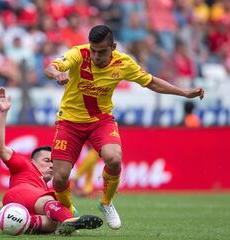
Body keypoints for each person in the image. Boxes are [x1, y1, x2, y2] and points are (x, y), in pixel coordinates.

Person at [44, 24, 205, 230]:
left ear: (114, 47)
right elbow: (51, 67)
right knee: (59, 178)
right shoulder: (78, 53)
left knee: (114, 158)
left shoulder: (124, 63)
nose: (95, 56)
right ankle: (68, 214)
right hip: (69, 121)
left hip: (101, 120)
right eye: (93, 50)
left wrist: (184, 92)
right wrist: (56, 73)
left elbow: (151, 82)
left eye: (101, 52)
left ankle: (106, 202)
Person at [0, 88, 103, 235]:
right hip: (21, 193)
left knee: (53, 223)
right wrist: (3, 113)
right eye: (47, 160)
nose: (52, 165)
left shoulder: (43, 186)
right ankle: (70, 221)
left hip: (19, 206)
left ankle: (3, 216)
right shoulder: (24, 165)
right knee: (50, 204)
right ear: (33, 161)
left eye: (53, 162)